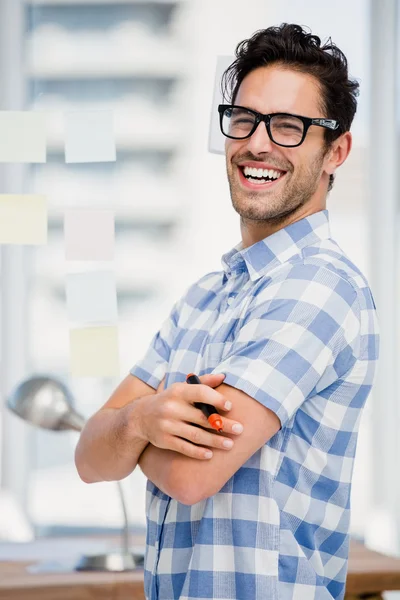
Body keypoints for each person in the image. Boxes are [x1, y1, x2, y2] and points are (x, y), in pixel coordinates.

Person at [75, 23, 379, 600]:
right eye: (245, 120)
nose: (258, 144)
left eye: (290, 127)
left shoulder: (318, 285)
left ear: (335, 151)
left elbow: (192, 477)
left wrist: (133, 426)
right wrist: (143, 422)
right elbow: (90, 457)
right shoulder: (205, 297)